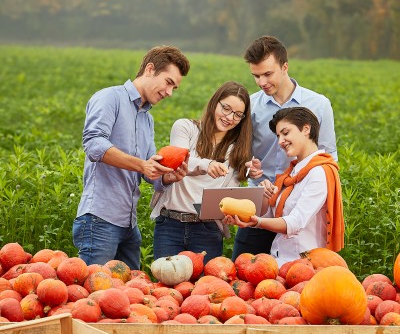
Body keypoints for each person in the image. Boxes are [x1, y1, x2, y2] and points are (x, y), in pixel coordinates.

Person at [73, 45, 191, 270]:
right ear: (149, 69)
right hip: (99, 220)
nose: (169, 93)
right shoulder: (110, 98)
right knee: (92, 296)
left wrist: (167, 177)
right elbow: (94, 144)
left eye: (174, 88)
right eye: (168, 82)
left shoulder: (147, 120)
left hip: (129, 223)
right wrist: (142, 165)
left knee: (130, 297)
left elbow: (150, 172)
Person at [232, 35, 338, 260]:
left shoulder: (318, 105)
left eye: (267, 74)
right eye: (256, 76)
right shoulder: (250, 106)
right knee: (243, 275)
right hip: (259, 203)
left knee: (293, 278)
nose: (262, 82)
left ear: (285, 67)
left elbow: (329, 157)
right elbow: (240, 157)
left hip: (298, 207)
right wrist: (250, 169)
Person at [225, 107, 344, 267]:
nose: (280, 141)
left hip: (305, 266)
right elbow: (273, 216)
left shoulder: (319, 172)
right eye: (278, 136)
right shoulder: (291, 173)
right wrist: (264, 197)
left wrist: (256, 222)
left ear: (306, 129)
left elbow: (295, 222)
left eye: (285, 133)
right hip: (280, 261)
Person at [151, 81, 253, 262]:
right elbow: (178, 161)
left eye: (238, 115)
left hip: (208, 230)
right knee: (167, 287)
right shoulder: (186, 128)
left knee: (206, 287)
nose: (230, 117)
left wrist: (231, 214)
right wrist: (207, 164)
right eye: (226, 108)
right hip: (170, 225)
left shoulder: (236, 151)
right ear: (215, 103)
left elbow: (227, 197)